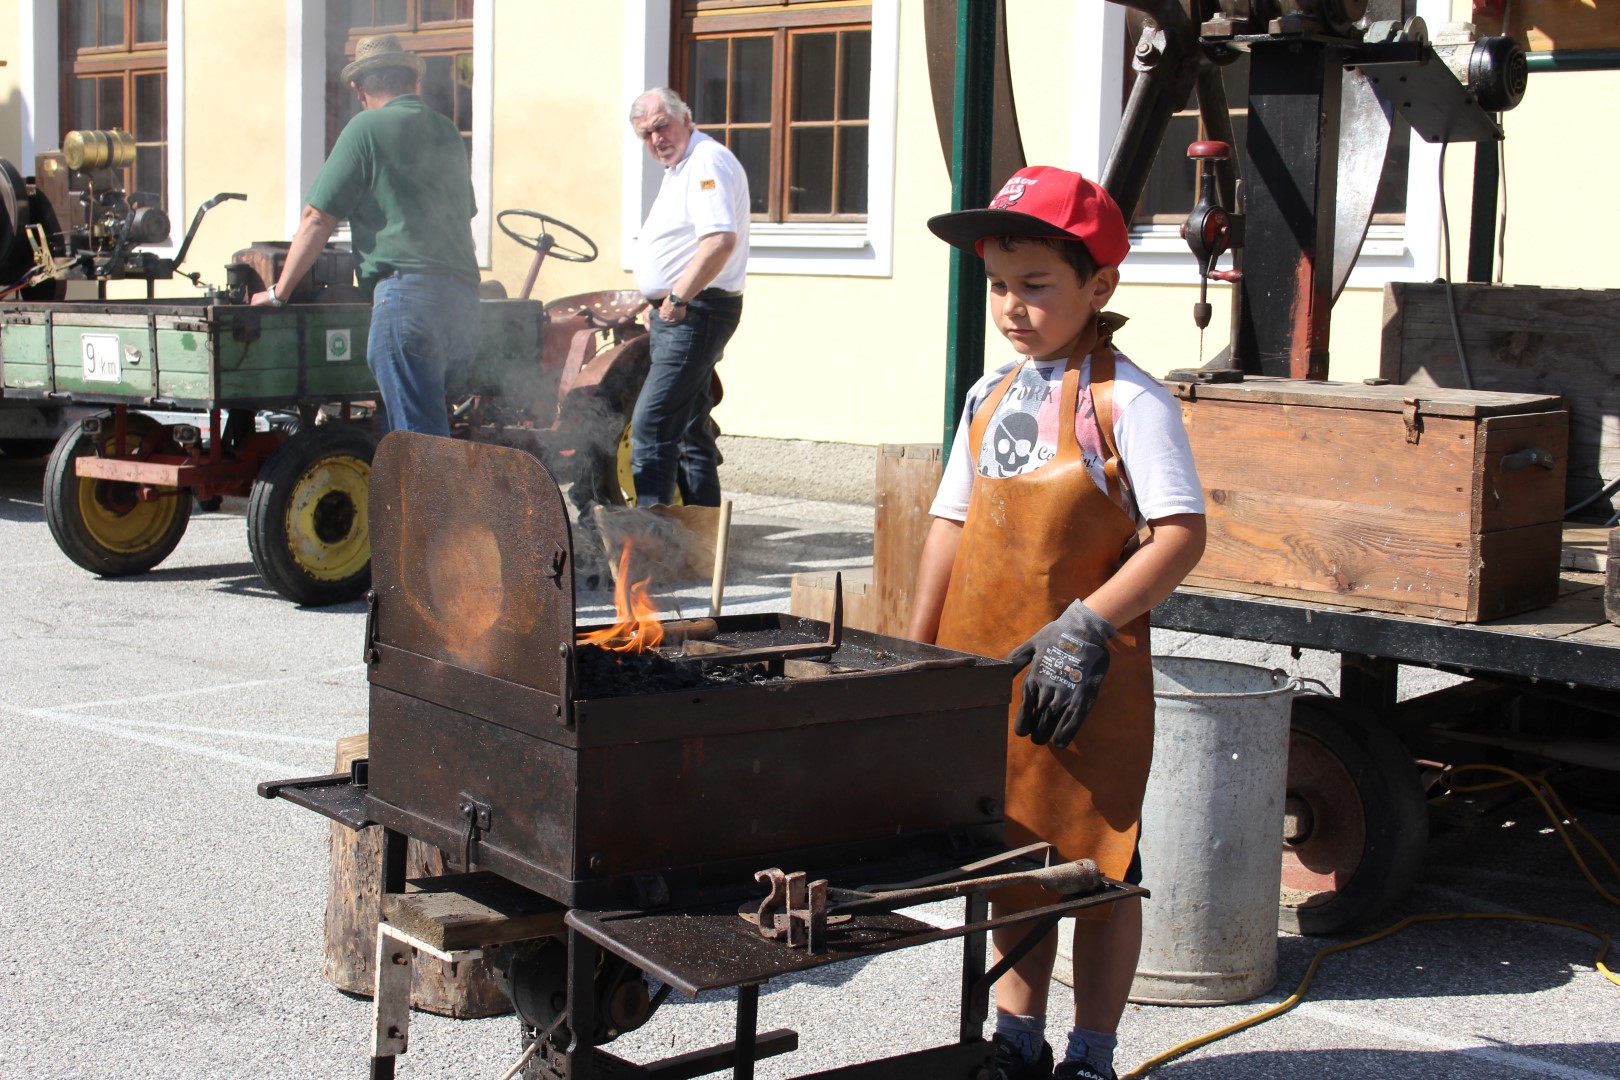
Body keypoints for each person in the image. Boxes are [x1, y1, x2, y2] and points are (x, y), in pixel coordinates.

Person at [909, 166, 1208, 1080]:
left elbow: (1181, 537)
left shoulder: (1132, 404)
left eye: (1036, 285)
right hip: (992, 675)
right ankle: (1016, 1038)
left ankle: (1092, 1054)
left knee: (1099, 873)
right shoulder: (986, 396)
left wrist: (1086, 626)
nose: (1012, 305)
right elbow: (951, 523)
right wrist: (914, 654)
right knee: (1012, 865)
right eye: (999, 284)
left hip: (1087, 688)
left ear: (1099, 287)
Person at [250, 33, 481, 438]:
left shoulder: (365, 129)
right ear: (414, 81)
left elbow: (317, 218)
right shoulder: (446, 131)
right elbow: (463, 217)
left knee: (417, 444)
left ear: (359, 88)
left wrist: (278, 292)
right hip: (461, 301)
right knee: (417, 427)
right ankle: (422, 501)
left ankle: (437, 503)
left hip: (407, 299)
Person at [627, 87, 749, 507]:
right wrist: (659, 299)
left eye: (661, 126)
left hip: (695, 311)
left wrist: (676, 298)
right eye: (645, 134)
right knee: (691, 428)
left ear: (686, 118)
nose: (656, 139)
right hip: (685, 310)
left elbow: (719, 241)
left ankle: (649, 551)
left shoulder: (705, 162)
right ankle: (700, 546)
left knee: (652, 426)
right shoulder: (683, 165)